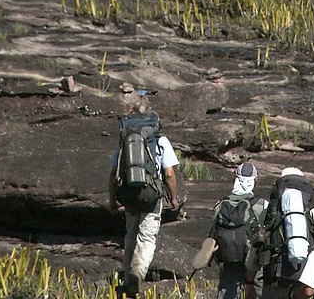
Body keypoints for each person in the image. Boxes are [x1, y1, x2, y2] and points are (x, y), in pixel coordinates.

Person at [107, 112, 180, 298]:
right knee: (147, 237)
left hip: (129, 195)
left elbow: (113, 174)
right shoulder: (160, 141)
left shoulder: (125, 140)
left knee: (130, 234)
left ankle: (126, 275)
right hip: (150, 197)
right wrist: (174, 199)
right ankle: (136, 274)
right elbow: (169, 173)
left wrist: (112, 201)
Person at [192, 163, 268, 299]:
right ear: (254, 181)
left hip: (228, 262)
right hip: (253, 263)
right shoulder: (261, 204)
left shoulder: (221, 204)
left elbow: (214, 233)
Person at [261, 167, 314, 299]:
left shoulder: (271, 215)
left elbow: (259, 243)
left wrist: (250, 280)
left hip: (276, 281)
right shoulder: (313, 215)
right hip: (304, 282)